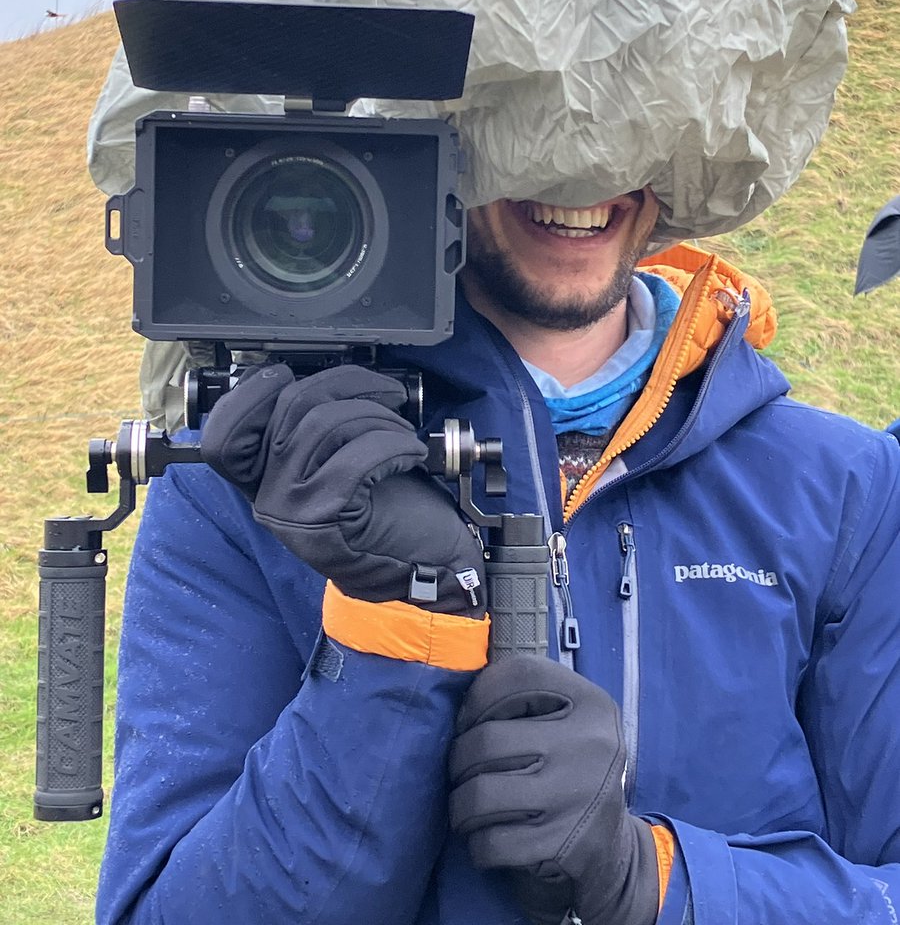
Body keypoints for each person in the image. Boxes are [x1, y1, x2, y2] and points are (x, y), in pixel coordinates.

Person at [95, 182, 900, 925]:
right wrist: (396, 635)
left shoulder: (845, 487)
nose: (580, 174)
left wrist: (654, 880)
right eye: (535, 125)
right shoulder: (256, 481)